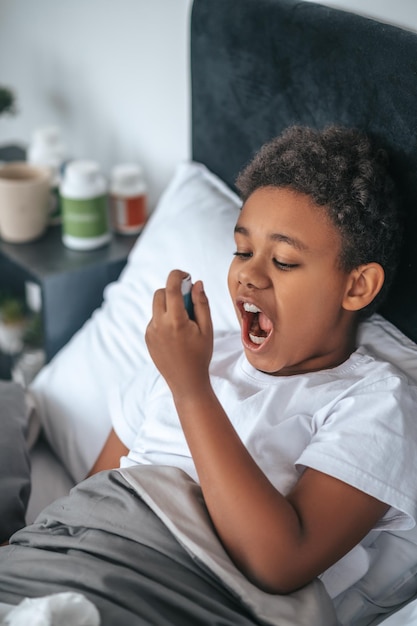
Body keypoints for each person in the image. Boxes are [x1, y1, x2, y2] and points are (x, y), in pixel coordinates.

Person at [1, 126, 417, 625]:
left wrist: (191, 389)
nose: (248, 274)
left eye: (283, 260)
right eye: (242, 250)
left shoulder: (375, 403)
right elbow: (93, 497)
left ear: (357, 286)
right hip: (64, 556)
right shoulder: (198, 354)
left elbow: (280, 563)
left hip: (167, 587)